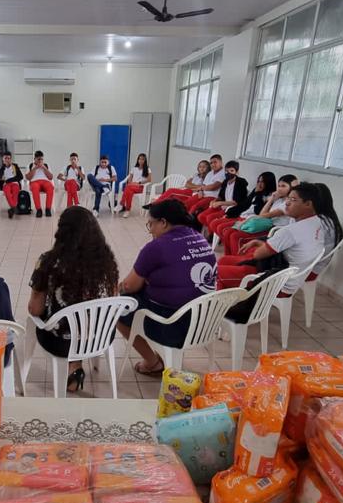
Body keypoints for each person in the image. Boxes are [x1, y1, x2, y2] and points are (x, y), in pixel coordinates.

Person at [117, 199, 217, 376]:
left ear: (163, 222)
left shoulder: (156, 247)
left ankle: (153, 362)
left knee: (120, 308)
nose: (151, 231)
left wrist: (120, 288)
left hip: (174, 325)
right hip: (205, 320)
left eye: (151, 224)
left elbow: (129, 285)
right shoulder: (200, 238)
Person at [28, 207, 118, 392]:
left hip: (62, 343)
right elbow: (113, 295)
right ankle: (75, 367)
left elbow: (35, 309)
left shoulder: (48, 261)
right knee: (80, 316)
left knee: (46, 321)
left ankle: (73, 368)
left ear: (61, 231)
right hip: (100, 336)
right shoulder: (106, 260)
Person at [217, 181, 335, 291]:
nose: (287, 203)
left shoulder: (290, 231)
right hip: (290, 272)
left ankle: (220, 308)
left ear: (309, 204)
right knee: (225, 260)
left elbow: (258, 255)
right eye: (288, 198)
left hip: (275, 280)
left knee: (213, 274)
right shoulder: (318, 222)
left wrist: (263, 247)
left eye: (293, 199)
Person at [222, 173, 297, 256]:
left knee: (235, 236)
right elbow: (262, 213)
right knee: (228, 232)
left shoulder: (287, 204)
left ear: (291, 188)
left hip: (271, 230)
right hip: (264, 224)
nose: (279, 189)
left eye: (283, 186)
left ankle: (237, 259)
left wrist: (247, 220)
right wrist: (271, 199)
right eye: (279, 186)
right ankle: (229, 257)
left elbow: (263, 215)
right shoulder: (279, 200)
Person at [211, 171, 276, 244]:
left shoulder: (269, 196)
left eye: (262, 182)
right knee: (215, 223)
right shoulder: (256, 190)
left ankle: (229, 248)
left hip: (251, 220)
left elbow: (258, 211)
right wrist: (230, 213)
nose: (259, 184)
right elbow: (245, 204)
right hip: (242, 215)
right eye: (258, 181)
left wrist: (258, 194)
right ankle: (226, 244)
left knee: (227, 231)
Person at [197, 160, 249, 233]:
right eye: (226, 171)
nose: (228, 173)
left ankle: (210, 236)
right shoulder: (225, 181)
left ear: (237, 172)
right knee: (201, 216)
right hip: (223, 206)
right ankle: (211, 233)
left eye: (232, 170)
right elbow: (221, 196)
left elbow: (236, 202)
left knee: (210, 218)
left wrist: (220, 203)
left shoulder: (241, 183)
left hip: (232, 209)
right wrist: (215, 200)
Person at [116, 153, 153, 218]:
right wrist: (132, 183)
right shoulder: (134, 168)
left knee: (128, 187)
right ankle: (127, 210)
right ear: (137, 160)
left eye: (142, 159)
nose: (141, 160)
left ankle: (122, 203)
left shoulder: (147, 169)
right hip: (132, 187)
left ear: (145, 160)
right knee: (129, 190)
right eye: (139, 159)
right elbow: (130, 179)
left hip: (141, 187)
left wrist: (138, 183)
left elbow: (149, 180)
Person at [26, 150, 54, 218]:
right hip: (34, 182)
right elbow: (28, 177)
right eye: (38, 159)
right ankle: (39, 210)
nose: (40, 161)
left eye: (42, 159)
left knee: (50, 187)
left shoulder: (46, 165)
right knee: (35, 188)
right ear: (34, 159)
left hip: (45, 182)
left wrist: (44, 168)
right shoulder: (30, 165)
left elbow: (50, 177)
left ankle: (48, 209)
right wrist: (35, 168)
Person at [0, 152, 24, 219]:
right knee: (7, 193)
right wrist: (3, 168)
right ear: (3, 159)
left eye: (8, 158)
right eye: (5, 158)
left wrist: (10, 180)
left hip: (15, 183)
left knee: (15, 192)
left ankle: (12, 209)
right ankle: (14, 208)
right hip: (6, 184)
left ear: (11, 159)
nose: (7, 160)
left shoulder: (15, 166)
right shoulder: (0, 167)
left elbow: (21, 177)